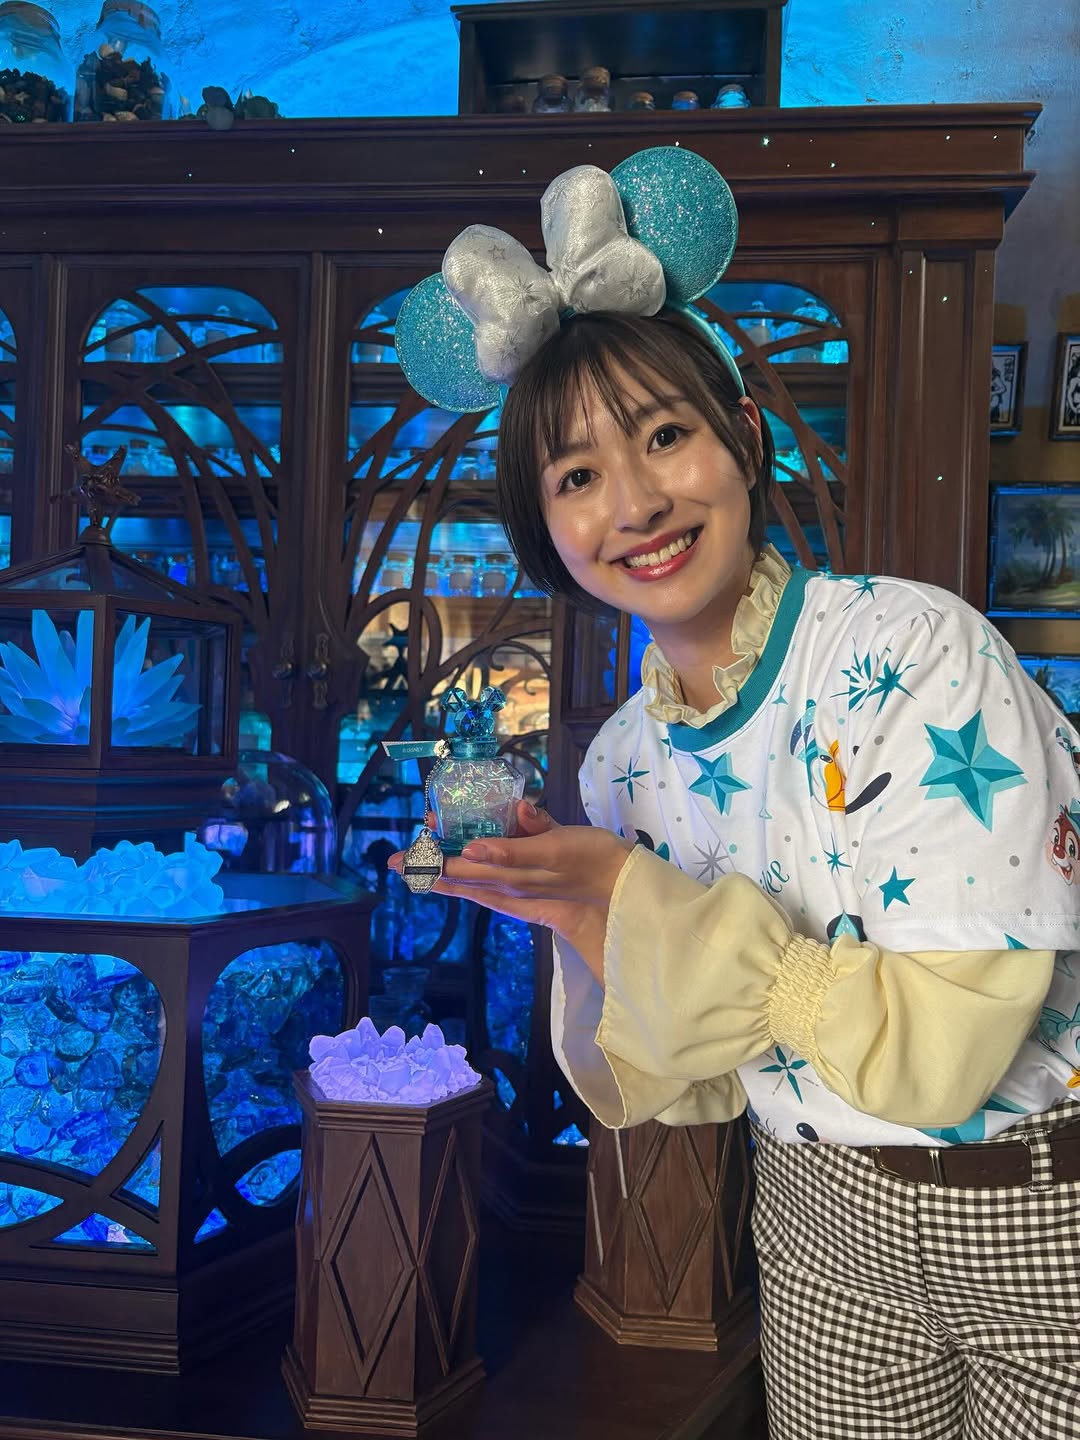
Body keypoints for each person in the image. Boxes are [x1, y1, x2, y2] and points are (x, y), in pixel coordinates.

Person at [391, 149, 1080, 1439]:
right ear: (546, 535)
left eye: (666, 436)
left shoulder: (911, 651)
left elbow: (946, 1054)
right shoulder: (620, 763)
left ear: (744, 438)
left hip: (1034, 1212)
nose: (638, 502)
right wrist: (583, 912)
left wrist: (634, 899)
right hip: (813, 1224)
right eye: (577, 477)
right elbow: (687, 1079)